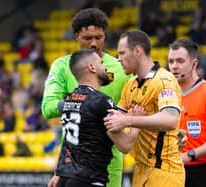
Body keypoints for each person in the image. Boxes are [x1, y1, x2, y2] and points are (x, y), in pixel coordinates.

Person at [41, 8, 130, 187]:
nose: (94, 44)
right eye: (87, 38)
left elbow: (137, 106)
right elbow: (47, 107)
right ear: (76, 37)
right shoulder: (62, 66)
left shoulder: (120, 68)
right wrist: (81, 104)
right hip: (73, 163)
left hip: (111, 162)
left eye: (99, 37)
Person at [104, 30, 185, 187]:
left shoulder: (164, 80)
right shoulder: (129, 86)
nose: (118, 59)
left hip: (164, 171)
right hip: (140, 171)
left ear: (137, 51)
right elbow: (123, 143)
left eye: (122, 53)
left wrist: (128, 120)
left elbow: (170, 120)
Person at [55, 48, 139, 187]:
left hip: (64, 178)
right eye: (101, 63)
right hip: (88, 180)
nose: (105, 67)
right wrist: (136, 121)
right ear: (92, 67)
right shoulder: (100, 101)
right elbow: (125, 145)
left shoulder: (68, 100)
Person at [167, 39, 206, 187]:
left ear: (194, 63)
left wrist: (191, 155)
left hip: (204, 173)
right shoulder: (167, 93)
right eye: (171, 61)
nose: (174, 66)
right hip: (173, 172)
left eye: (180, 61)